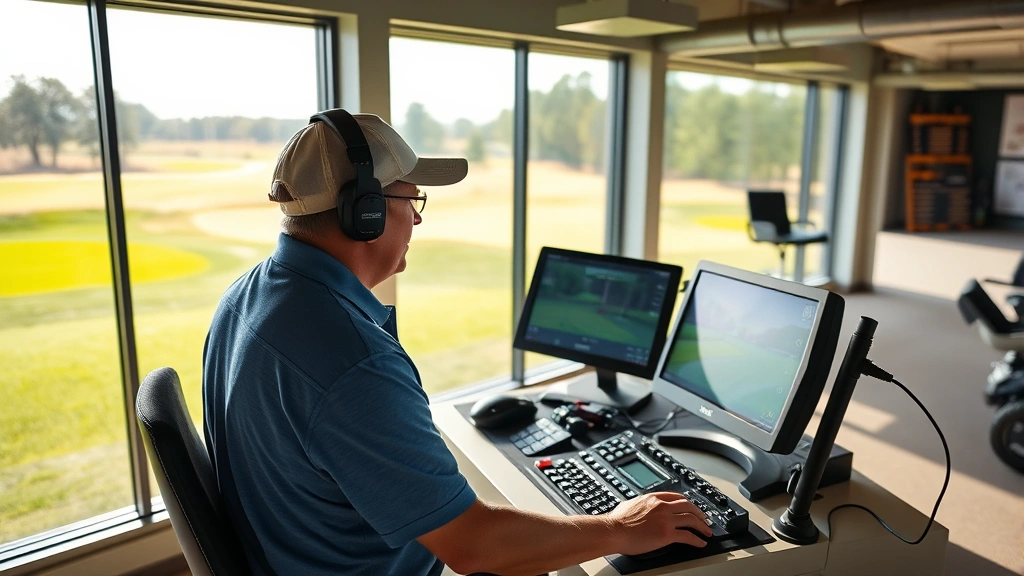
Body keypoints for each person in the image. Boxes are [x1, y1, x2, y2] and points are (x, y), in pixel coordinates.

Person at [202, 110, 712, 576]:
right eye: (412, 199)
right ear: (368, 212)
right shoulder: (352, 362)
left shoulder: (247, 296)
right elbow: (474, 547)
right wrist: (621, 528)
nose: (418, 218)